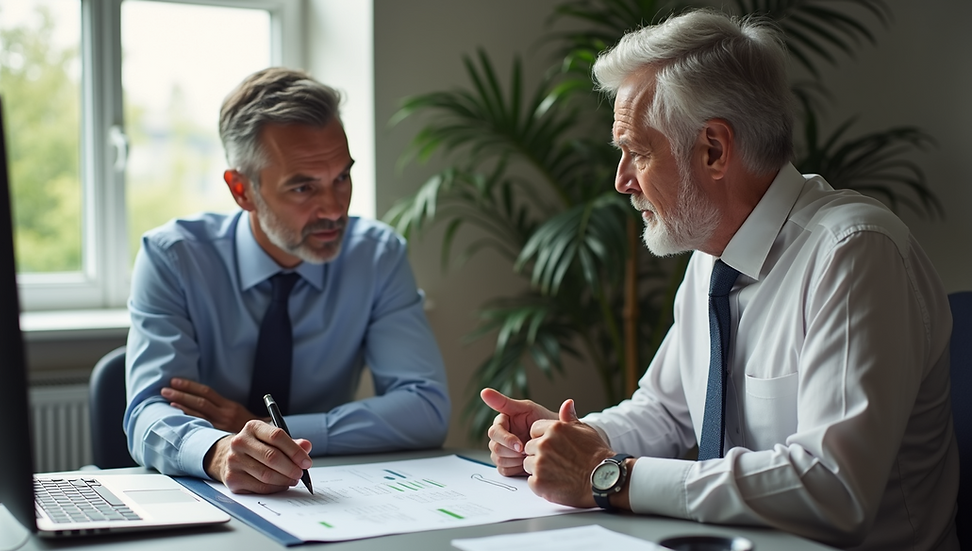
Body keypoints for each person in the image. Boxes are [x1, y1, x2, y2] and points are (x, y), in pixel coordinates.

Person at [482, 9, 959, 551]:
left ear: (713, 149)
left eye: (637, 152)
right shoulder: (713, 252)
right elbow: (666, 410)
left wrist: (605, 475)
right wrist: (575, 441)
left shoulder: (853, 255)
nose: (621, 181)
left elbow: (834, 489)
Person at [125, 67, 450, 494]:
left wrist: (267, 429)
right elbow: (148, 413)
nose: (334, 209)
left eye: (342, 178)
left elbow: (425, 408)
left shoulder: (376, 256)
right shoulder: (174, 258)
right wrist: (222, 450)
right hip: (214, 494)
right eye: (303, 188)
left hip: (334, 495)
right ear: (242, 189)